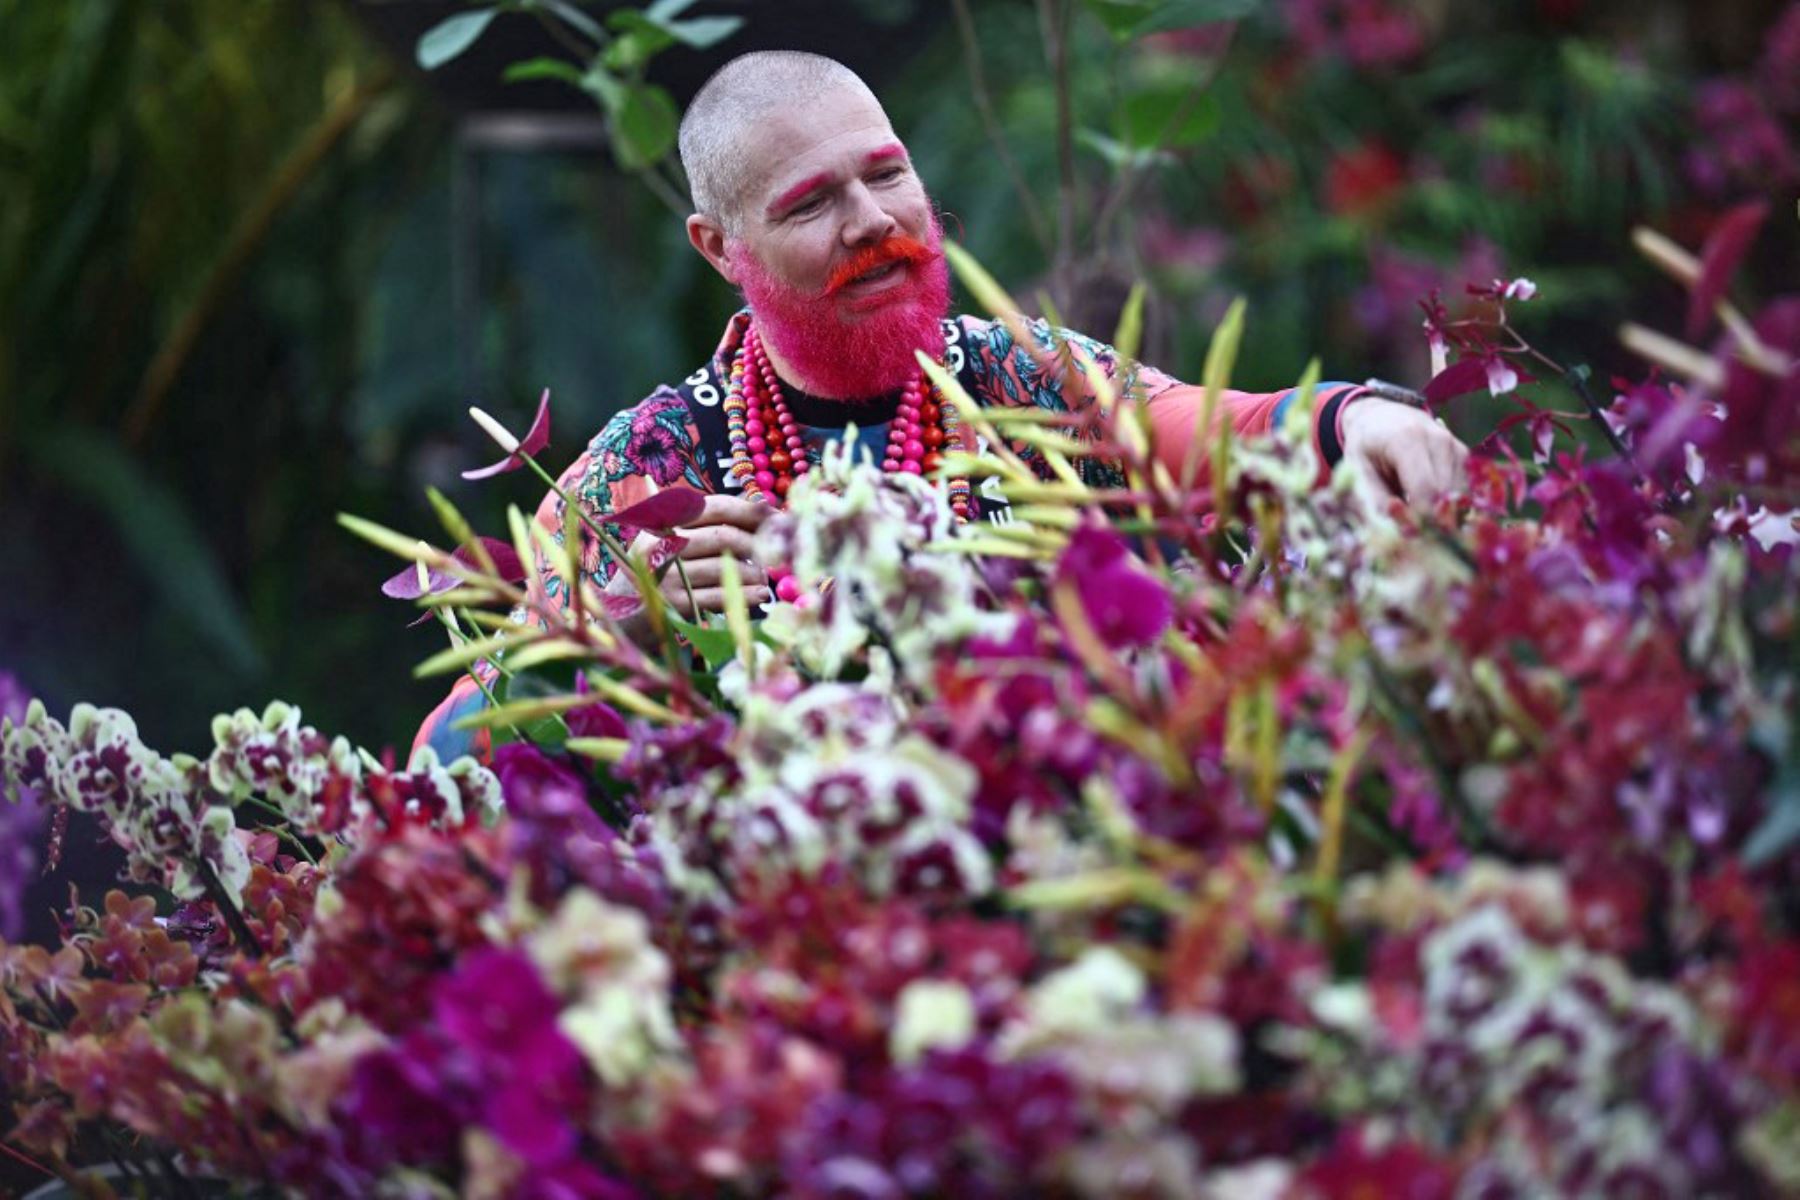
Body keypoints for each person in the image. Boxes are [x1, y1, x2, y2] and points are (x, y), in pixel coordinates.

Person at [414, 50, 1468, 761]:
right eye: (812, 203)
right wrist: (623, 635)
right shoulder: (651, 466)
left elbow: (1211, 429)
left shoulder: (1022, 377)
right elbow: (442, 762)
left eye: (887, 175)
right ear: (719, 249)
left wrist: (1353, 418)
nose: (876, 222)